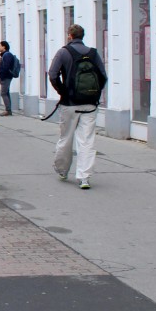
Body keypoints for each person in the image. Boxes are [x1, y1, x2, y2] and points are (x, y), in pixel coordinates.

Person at [48, 24, 107, 189]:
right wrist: (94, 93)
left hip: (70, 104)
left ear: (70, 36)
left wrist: (63, 91)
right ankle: (84, 177)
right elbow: (103, 76)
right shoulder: (93, 53)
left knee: (66, 138)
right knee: (87, 140)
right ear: (83, 36)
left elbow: (52, 75)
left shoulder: (63, 52)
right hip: (89, 104)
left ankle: (62, 170)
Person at [0, 41, 18, 116]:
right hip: (5, 77)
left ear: (4, 47)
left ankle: (8, 110)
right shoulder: (5, 55)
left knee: (3, 93)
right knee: (6, 93)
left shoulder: (7, 55)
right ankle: (8, 110)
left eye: (0, 46)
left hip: (6, 77)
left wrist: (1, 77)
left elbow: (5, 67)